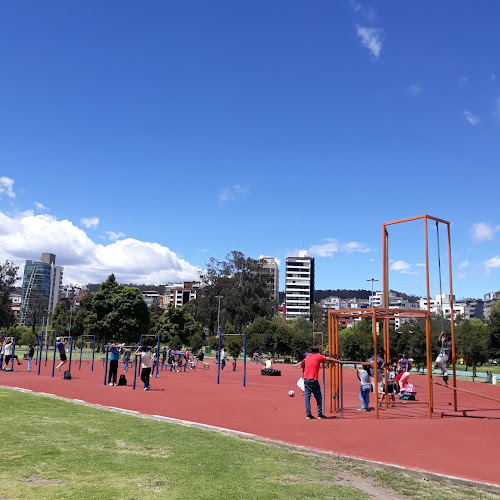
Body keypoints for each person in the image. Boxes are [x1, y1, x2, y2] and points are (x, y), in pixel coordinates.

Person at [303, 345, 338, 419]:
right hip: (313, 379)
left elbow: (305, 354)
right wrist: (338, 361)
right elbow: (329, 359)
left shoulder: (308, 355)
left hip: (306, 378)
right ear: (318, 351)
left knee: (307, 397)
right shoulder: (318, 356)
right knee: (318, 397)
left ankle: (308, 414)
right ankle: (319, 414)